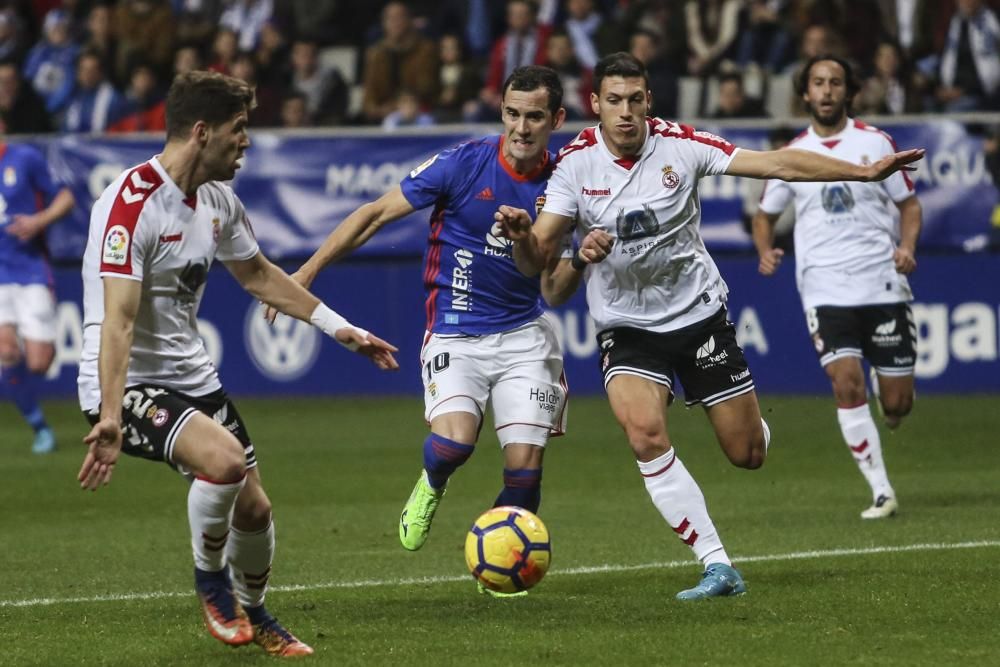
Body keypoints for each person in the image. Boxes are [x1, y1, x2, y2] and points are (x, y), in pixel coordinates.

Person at [495, 52, 922, 600]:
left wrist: (864, 173)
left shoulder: (683, 146)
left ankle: (752, 426)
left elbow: (780, 164)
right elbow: (548, 283)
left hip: (698, 318)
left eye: (635, 100)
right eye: (614, 101)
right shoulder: (574, 168)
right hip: (627, 327)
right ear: (594, 105)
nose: (625, 113)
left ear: (649, 101)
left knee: (747, 455)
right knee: (644, 434)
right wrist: (560, 250)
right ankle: (717, 564)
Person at [77, 71, 399, 656]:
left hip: (192, 377)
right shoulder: (129, 207)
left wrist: (341, 329)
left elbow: (257, 275)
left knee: (255, 509)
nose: (246, 141)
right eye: (238, 129)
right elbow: (118, 322)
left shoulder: (218, 200)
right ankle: (211, 584)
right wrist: (110, 412)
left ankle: (255, 614)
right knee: (223, 463)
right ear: (202, 132)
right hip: (128, 381)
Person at [267, 65, 596, 596]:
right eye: (512, 113)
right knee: (454, 445)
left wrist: (575, 257)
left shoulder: (564, 186)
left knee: (525, 472)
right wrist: (307, 271)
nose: (521, 127)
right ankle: (432, 482)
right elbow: (375, 214)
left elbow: (554, 290)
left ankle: (500, 565)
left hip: (524, 336)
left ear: (556, 119)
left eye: (535, 116)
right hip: (456, 332)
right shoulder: (464, 163)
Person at [752, 55, 922, 520]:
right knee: (845, 383)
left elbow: (908, 205)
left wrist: (907, 246)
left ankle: (887, 396)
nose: (826, 91)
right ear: (805, 93)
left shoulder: (874, 142)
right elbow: (764, 215)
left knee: (896, 405)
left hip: (882, 281)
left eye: (835, 83)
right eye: (818, 83)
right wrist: (766, 248)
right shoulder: (794, 153)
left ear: (849, 92)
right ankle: (881, 491)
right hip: (823, 286)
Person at [0, 140, 75, 453]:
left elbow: (67, 197)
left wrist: (38, 221)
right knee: (4, 353)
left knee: (39, 363)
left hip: (30, 269)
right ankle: (40, 427)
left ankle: (45, 346)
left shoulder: (25, 157)